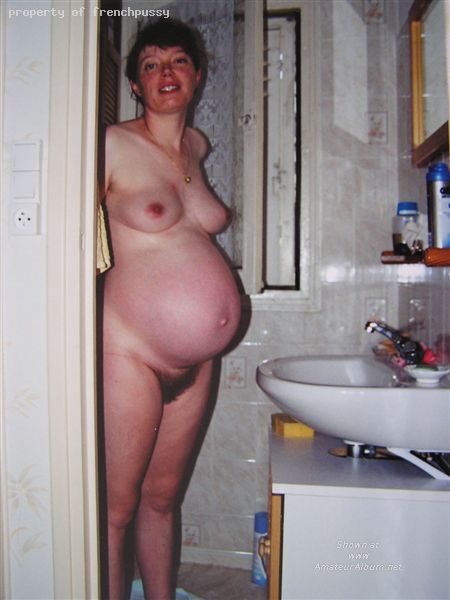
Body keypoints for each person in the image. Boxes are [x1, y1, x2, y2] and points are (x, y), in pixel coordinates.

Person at [100, 17, 242, 600]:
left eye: (179, 60)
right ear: (136, 84)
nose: (166, 72)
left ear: (198, 75)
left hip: (198, 361)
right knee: (117, 509)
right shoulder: (109, 144)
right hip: (129, 350)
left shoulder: (195, 146)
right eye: (151, 63)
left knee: (162, 500)